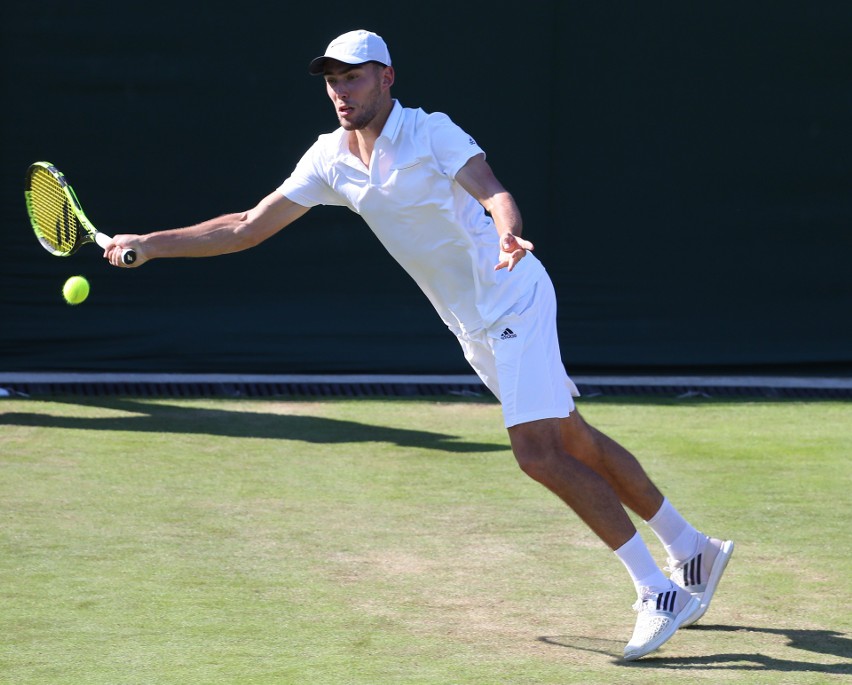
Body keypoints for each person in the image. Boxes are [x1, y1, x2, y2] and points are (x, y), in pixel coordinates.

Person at [104, 29, 733, 660]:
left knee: (536, 452)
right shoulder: (329, 159)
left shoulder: (432, 132)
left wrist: (509, 234)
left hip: (513, 297)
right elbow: (244, 228)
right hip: (473, 324)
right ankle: (691, 549)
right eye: (331, 79)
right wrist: (153, 243)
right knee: (572, 437)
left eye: (353, 77)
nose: (340, 90)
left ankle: (657, 590)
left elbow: (493, 191)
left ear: (387, 78)